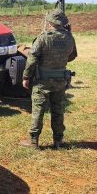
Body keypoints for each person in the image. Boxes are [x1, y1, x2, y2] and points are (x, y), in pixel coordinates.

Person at [20, 9, 77, 149]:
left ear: (50, 22)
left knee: (38, 110)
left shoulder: (43, 37)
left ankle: (34, 141)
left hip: (42, 82)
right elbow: (72, 56)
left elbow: (32, 59)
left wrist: (26, 76)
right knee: (58, 110)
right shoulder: (69, 37)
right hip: (60, 81)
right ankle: (58, 141)